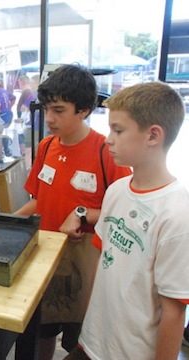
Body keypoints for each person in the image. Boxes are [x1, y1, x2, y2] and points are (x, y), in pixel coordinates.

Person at [15, 64, 131, 360]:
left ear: (83, 110)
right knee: (42, 329)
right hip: (44, 259)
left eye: (59, 110)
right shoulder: (46, 146)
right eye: (46, 109)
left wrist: (83, 213)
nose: (49, 118)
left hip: (85, 268)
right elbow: (39, 201)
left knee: (78, 342)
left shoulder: (107, 152)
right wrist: (8, 221)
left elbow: (124, 214)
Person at [70, 82, 189, 360]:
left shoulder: (178, 213)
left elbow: (173, 311)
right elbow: (103, 266)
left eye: (118, 130)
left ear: (153, 136)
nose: (108, 139)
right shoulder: (116, 191)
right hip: (92, 342)